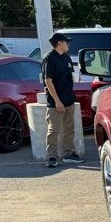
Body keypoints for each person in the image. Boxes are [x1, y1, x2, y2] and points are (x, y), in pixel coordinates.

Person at [41, 32, 83, 168]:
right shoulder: (49, 58)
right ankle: (51, 157)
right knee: (54, 130)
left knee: (69, 129)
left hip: (69, 100)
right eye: (66, 42)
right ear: (59, 43)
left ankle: (68, 154)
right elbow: (48, 80)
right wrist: (57, 101)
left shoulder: (66, 58)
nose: (68, 44)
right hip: (55, 103)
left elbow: (70, 75)